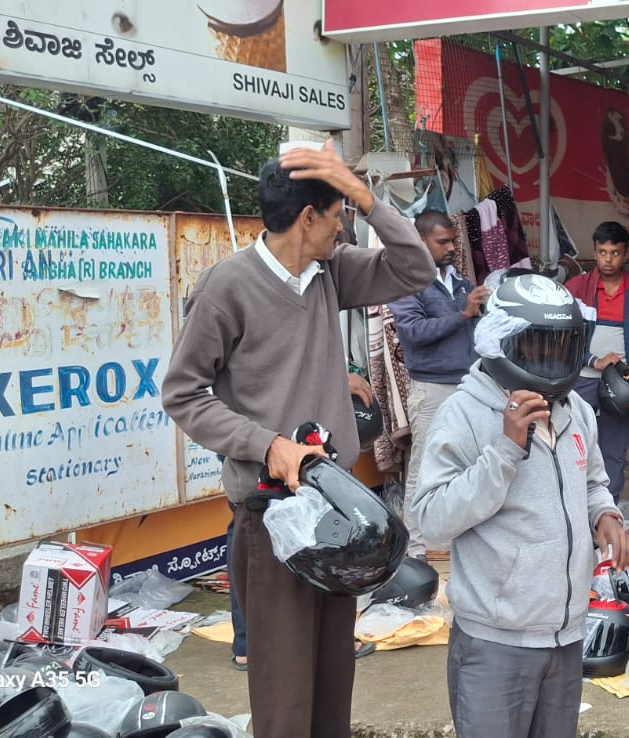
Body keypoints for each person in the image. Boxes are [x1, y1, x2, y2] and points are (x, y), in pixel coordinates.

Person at [163, 140, 436, 738]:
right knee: (286, 698)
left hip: (338, 513)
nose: (344, 227)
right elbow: (182, 394)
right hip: (273, 517)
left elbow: (417, 269)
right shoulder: (226, 287)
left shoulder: (330, 272)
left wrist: (366, 197)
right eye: (338, 214)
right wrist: (266, 444)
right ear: (308, 216)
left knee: (332, 685)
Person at [411, 274, 629, 738]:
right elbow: (432, 519)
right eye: (536, 347)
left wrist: (605, 515)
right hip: (496, 640)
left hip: (567, 633)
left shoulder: (578, 411)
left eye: (562, 348)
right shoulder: (464, 413)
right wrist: (505, 451)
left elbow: (592, 482)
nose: (551, 362)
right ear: (501, 344)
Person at [388, 211, 492, 559]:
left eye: (453, 241)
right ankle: (414, 553)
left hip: (469, 387)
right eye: (442, 242)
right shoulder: (407, 282)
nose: (451, 247)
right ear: (421, 242)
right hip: (432, 389)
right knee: (422, 469)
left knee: (465, 467)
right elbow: (413, 333)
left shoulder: (461, 282)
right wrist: (462, 314)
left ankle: (452, 545)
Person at [565, 221, 629, 499]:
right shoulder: (576, 289)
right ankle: (574, 510)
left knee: (614, 450)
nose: (608, 259)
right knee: (573, 446)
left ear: (625, 254)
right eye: (602, 252)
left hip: (621, 385)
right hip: (581, 380)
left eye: (615, 253)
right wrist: (594, 360)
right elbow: (562, 338)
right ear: (594, 252)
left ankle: (609, 511)